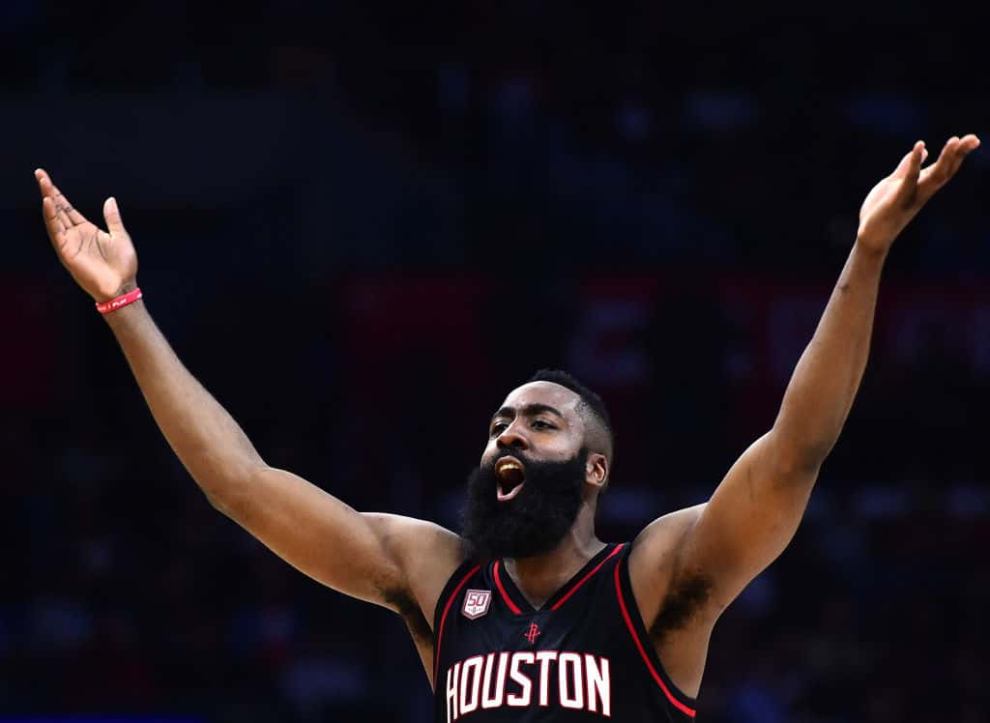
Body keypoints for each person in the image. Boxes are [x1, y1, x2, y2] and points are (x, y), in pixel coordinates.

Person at [35, 134, 980, 721]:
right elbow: (240, 484)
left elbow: (795, 449)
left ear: (596, 468)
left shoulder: (653, 579)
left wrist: (867, 251)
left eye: (539, 421)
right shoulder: (437, 577)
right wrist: (124, 304)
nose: (508, 435)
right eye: (499, 423)